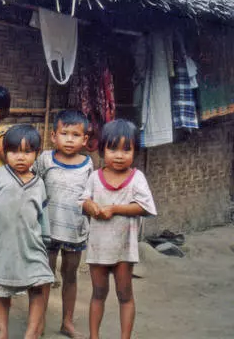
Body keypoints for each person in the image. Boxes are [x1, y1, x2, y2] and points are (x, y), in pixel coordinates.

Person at [80, 119, 157, 339]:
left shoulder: (137, 178)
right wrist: (91, 206)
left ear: (135, 151)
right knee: (98, 294)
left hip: (124, 249)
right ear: (103, 148)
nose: (119, 155)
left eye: (127, 149)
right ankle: (94, 336)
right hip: (98, 247)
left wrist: (114, 208)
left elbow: (145, 207)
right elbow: (83, 201)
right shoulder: (95, 177)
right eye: (113, 148)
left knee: (125, 295)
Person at [0, 125, 54, 339]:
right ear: (5, 151)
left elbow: (43, 213)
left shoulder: (38, 183)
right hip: (5, 244)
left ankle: (31, 333)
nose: (20, 157)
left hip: (33, 245)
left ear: (36, 153)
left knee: (38, 286)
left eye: (27, 152)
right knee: (3, 291)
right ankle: (3, 331)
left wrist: (45, 238)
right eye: (14, 151)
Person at [34, 110, 92, 338]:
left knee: (70, 275)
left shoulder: (88, 165)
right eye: (64, 133)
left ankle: (67, 322)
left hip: (74, 230)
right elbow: (32, 185)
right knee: (45, 275)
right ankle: (38, 323)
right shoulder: (45, 159)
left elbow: (89, 198)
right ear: (53, 136)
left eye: (76, 135)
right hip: (47, 230)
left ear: (85, 140)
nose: (69, 139)